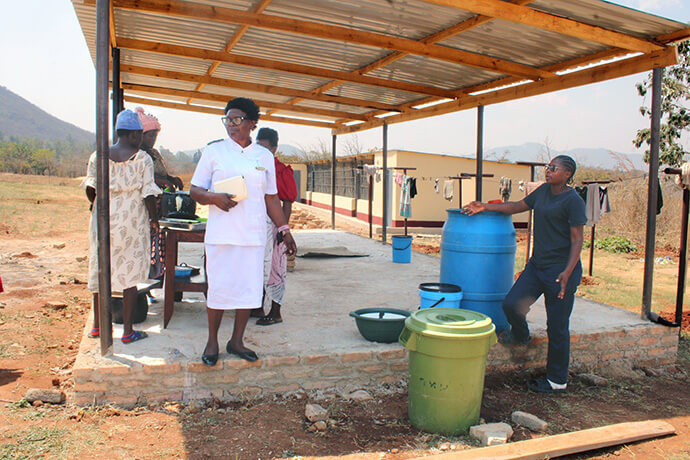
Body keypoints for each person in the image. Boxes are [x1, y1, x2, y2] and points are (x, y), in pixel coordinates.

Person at [463, 155, 585, 393]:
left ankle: (557, 381)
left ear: (567, 173)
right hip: (537, 266)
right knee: (511, 304)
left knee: (557, 326)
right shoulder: (542, 192)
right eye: (547, 167)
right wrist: (485, 206)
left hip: (560, 272)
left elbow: (577, 239)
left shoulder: (573, 201)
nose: (548, 171)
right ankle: (521, 336)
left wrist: (567, 273)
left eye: (553, 168)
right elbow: (518, 206)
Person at [190, 98, 297, 366]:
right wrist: (214, 198)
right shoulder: (214, 151)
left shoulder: (263, 157)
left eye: (237, 119)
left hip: (252, 235)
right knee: (218, 288)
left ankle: (237, 340)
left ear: (252, 123)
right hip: (222, 234)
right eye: (227, 119)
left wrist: (284, 229)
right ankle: (212, 341)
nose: (231, 124)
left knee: (248, 290)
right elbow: (195, 191)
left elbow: (271, 198)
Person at [84, 109, 161, 344]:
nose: (140, 138)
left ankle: (98, 326)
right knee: (128, 278)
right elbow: (148, 193)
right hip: (132, 222)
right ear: (132, 134)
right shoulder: (142, 159)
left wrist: (99, 205)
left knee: (101, 272)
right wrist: (154, 219)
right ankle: (127, 331)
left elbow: (90, 189)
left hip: (103, 220)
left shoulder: (98, 156)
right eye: (139, 133)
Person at [250, 127, 297, 325]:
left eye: (266, 148)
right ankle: (257, 306)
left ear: (275, 149)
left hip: (275, 226)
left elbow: (287, 202)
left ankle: (275, 311)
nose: (261, 151)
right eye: (258, 146)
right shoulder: (252, 166)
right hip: (256, 225)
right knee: (256, 267)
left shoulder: (281, 171)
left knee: (276, 268)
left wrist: (282, 229)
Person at [136, 107, 184, 281]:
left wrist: (171, 178)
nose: (153, 139)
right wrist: (163, 182)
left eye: (155, 135)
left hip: (159, 206)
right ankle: (145, 280)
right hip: (145, 208)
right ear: (139, 135)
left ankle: (156, 277)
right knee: (144, 246)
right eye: (150, 135)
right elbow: (144, 178)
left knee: (156, 245)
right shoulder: (136, 155)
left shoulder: (154, 154)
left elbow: (161, 174)